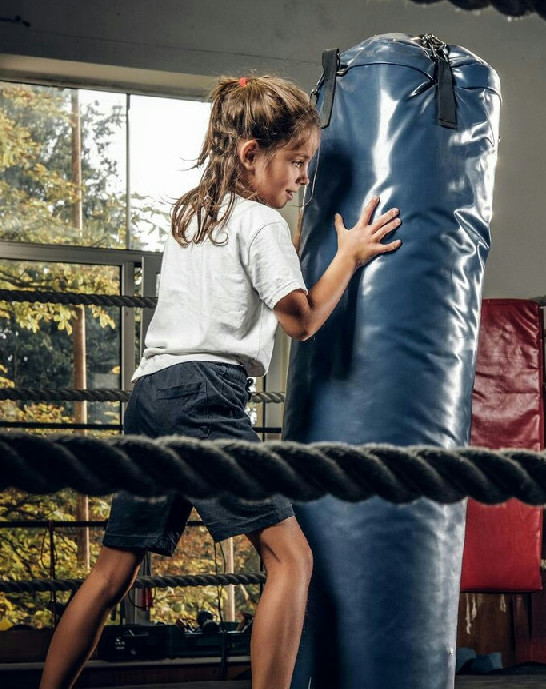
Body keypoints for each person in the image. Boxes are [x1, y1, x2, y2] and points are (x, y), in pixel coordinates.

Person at [39, 75, 402, 689]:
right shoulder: (258, 222)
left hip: (151, 391)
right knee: (292, 556)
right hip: (205, 394)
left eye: (308, 164)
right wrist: (350, 255)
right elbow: (302, 320)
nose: (302, 178)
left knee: (112, 573)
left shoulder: (192, 212)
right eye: (295, 161)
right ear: (250, 153)